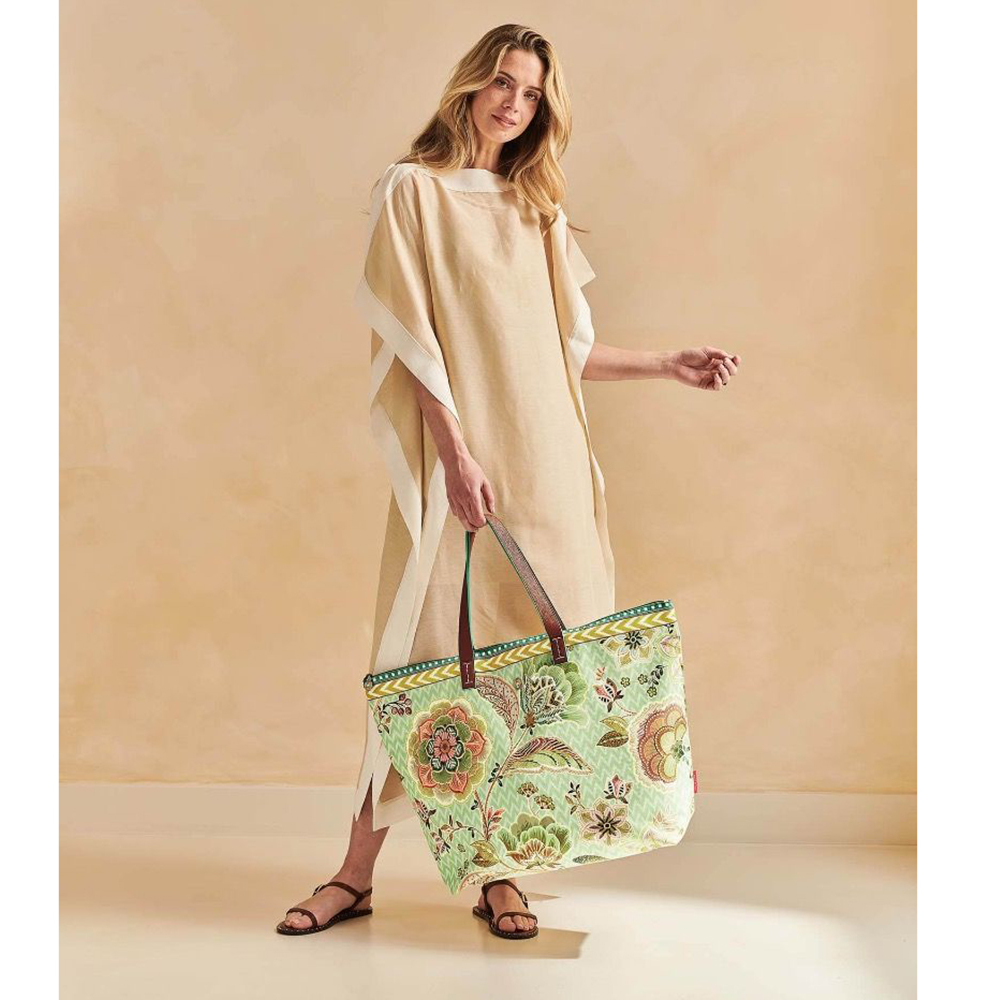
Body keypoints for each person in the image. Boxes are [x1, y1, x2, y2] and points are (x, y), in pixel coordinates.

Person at [277, 23, 740, 939]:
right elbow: (413, 344)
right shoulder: (412, 192)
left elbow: (560, 353)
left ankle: (502, 874)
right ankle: (353, 875)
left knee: (530, 674)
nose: (512, 104)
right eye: (502, 83)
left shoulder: (537, 208)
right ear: (470, 85)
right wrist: (454, 454)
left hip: (549, 467)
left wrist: (665, 363)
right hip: (461, 468)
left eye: (530, 94)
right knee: (416, 661)